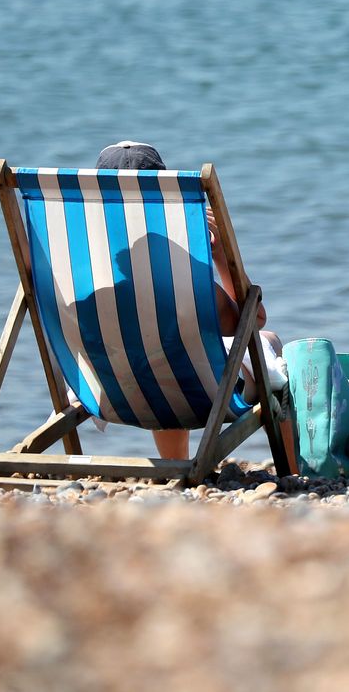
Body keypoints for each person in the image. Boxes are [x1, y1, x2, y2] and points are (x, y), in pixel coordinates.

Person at [94, 141, 284, 459]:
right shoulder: (177, 268)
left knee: (154, 359)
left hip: (109, 393)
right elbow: (249, 321)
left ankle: (175, 463)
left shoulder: (78, 263)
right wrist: (221, 254)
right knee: (269, 342)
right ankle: (293, 468)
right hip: (197, 394)